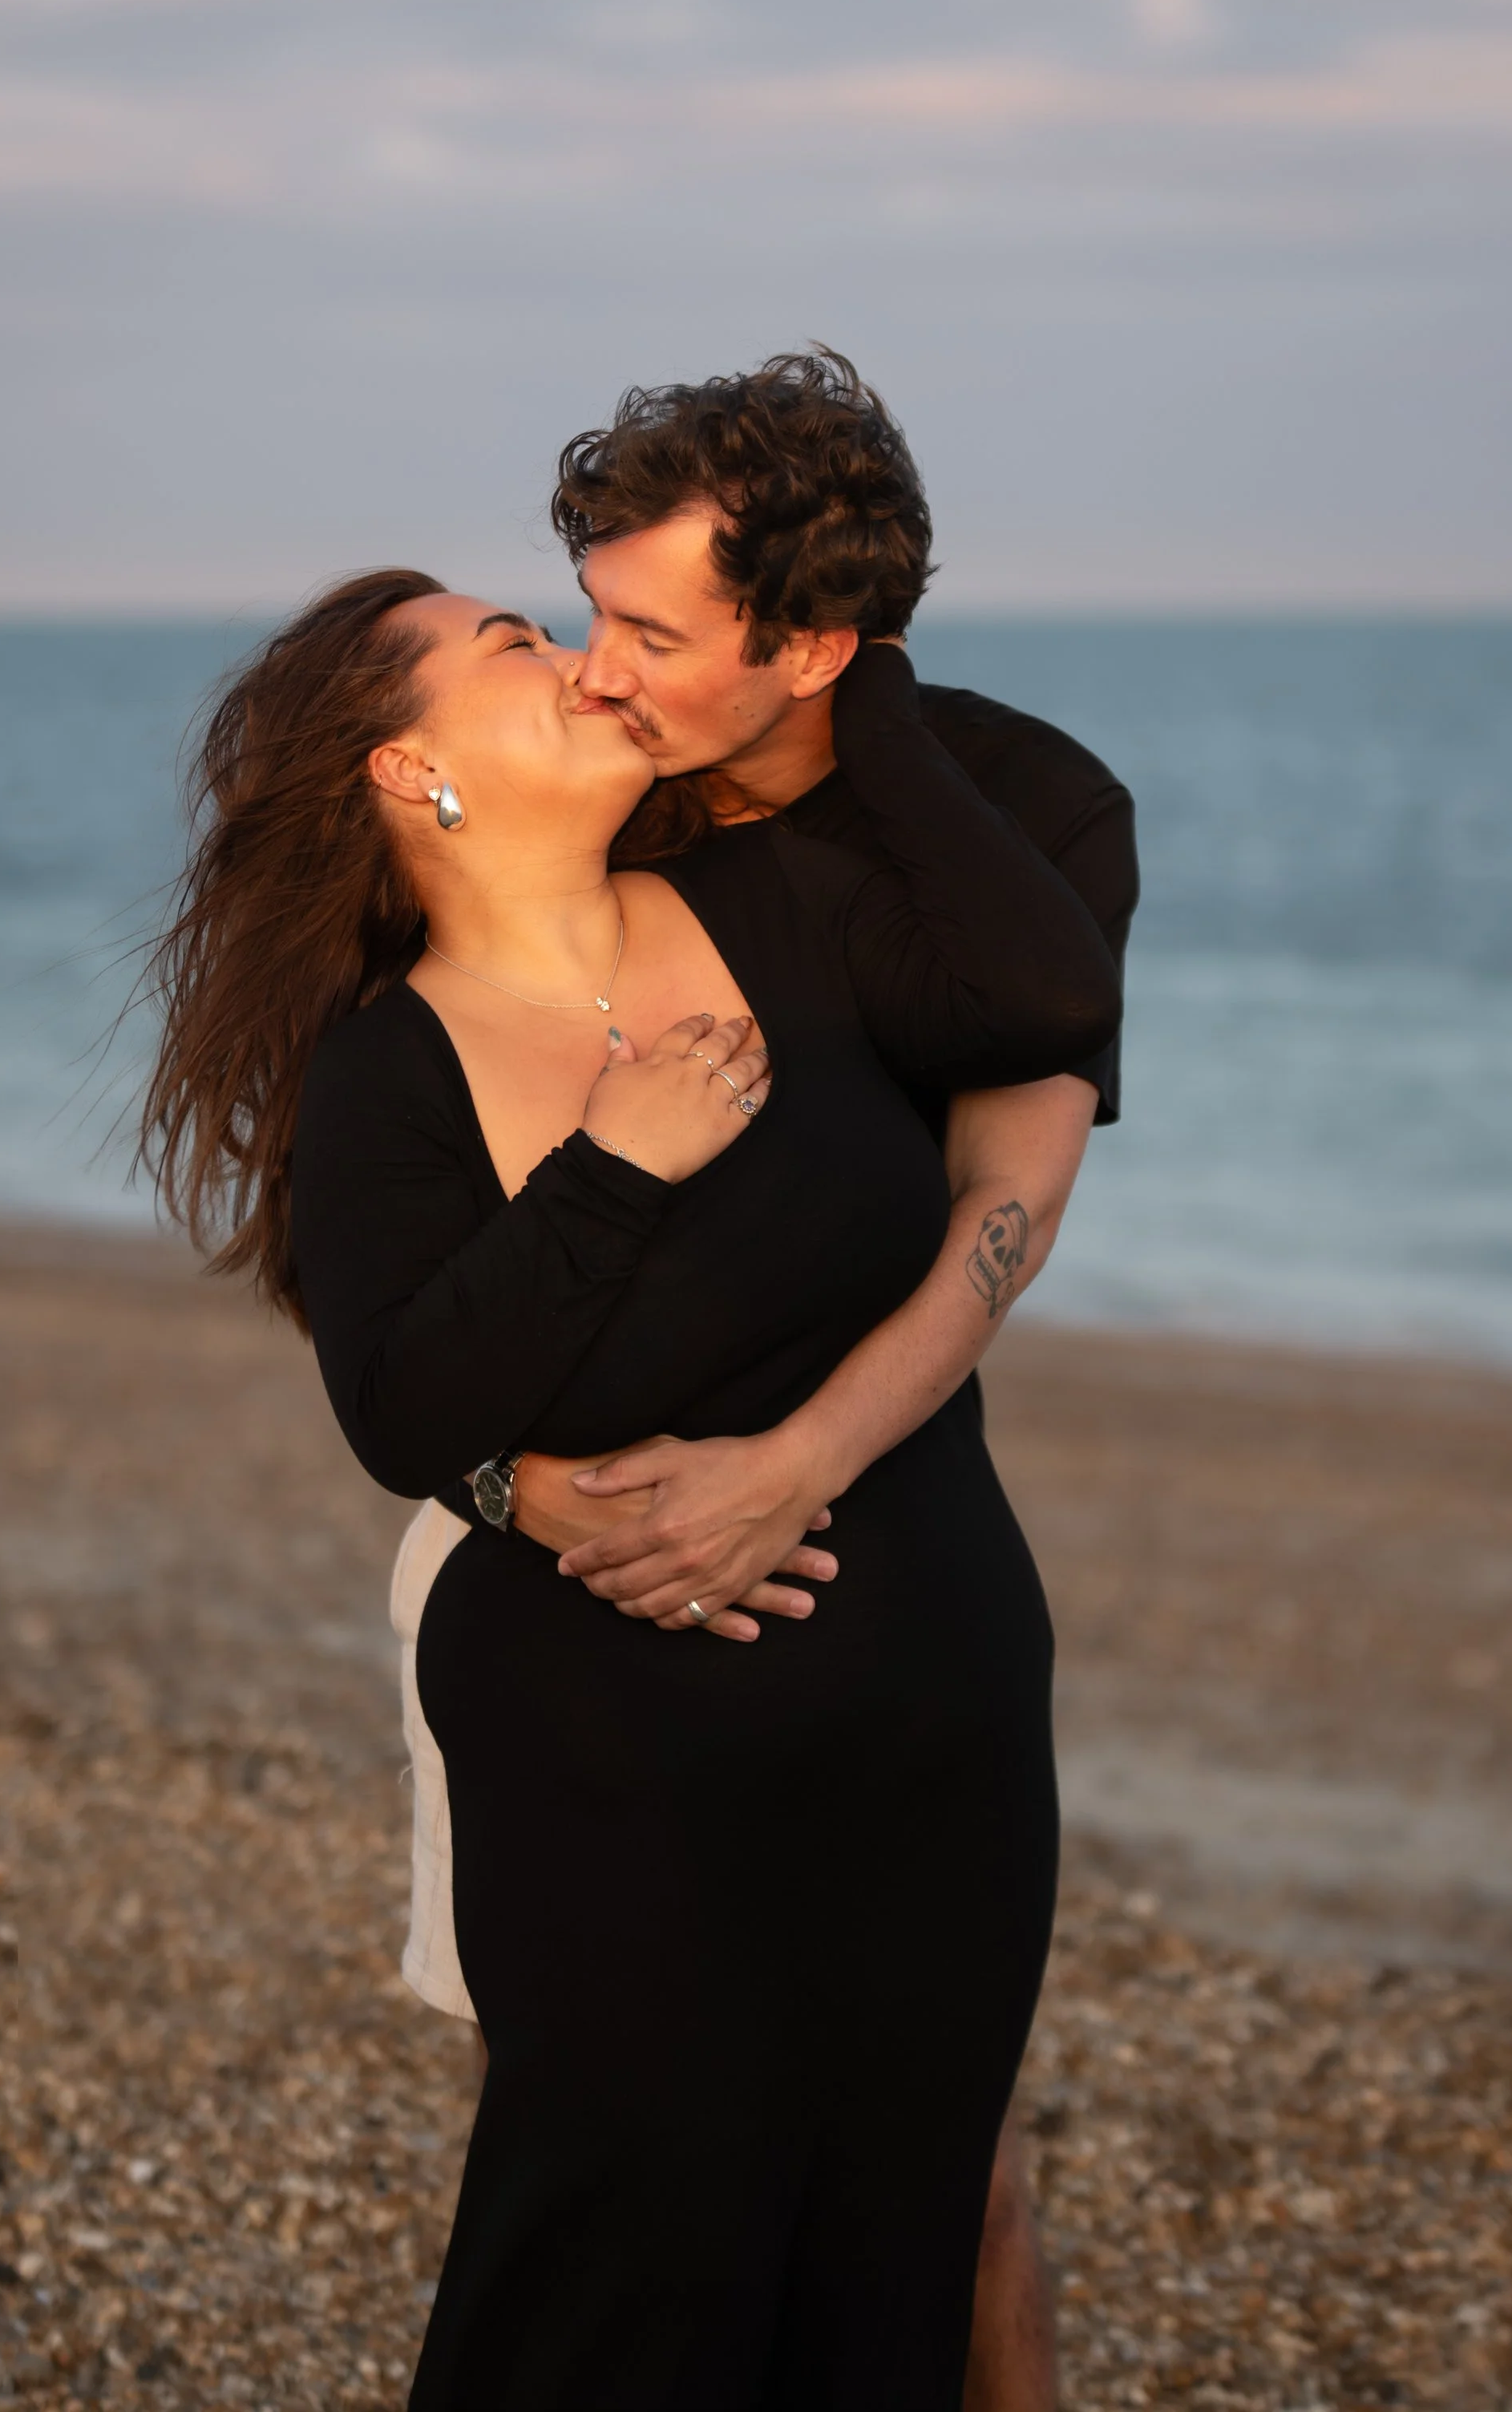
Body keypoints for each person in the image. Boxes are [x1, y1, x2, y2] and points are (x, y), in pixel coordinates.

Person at [139, 540, 1122, 2406]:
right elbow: (403, 1409)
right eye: (519, 643)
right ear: (406, 768)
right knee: (612, 2279)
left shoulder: (784, 904)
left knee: (893, 2262)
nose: (586, 664)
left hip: (939, 1726)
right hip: (614, 1779)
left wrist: (859, 672)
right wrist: (614, 1163)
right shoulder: (388, 1067)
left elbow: (1051, 997)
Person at [396, 350, 1138, 2411]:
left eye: (650, 632)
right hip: (565, 1563)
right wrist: (516, 1490)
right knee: (626, 2168)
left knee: (944, 2190)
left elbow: (1004, 1205)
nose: (596, 671)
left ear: (810, 641)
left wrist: (791, 1466)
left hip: (877, 1566)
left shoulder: (1026, 811)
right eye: (587, 612)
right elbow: (398, 1193)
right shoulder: (593, 790)